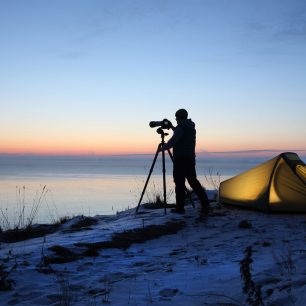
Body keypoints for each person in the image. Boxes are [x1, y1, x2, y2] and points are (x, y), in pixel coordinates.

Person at [159, 109, 210, 214]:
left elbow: (173, 141)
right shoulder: (189, 126)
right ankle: (205, 204)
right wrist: (173, 127)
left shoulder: (181, 128)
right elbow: (181, 135)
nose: (175, 119)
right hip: (190, 158)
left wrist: (163, 148)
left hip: (181, 159)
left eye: (176, 117)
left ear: (179, 117)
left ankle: (180, 208)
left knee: (179, 183)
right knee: (193, 181)